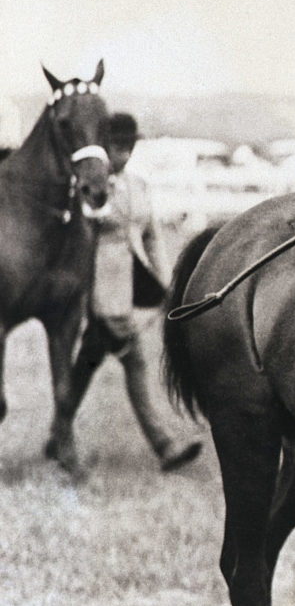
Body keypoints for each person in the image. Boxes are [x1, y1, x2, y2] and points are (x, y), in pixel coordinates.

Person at [68, 112, 202, 471]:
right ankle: (165, 445)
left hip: (133, 289)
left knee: (84, 367)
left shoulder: (139, 186)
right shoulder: (89, 189)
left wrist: (166, 283)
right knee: (136, 362)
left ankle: (58, 431)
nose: (124, 154)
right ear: (103, 147)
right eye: (117, 147)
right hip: (99, 293)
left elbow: (152, 237)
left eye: (130, 147)